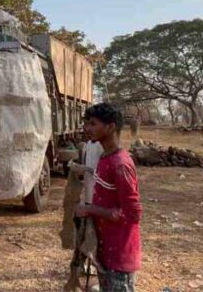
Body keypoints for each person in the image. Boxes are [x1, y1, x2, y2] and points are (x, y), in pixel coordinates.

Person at [75, 103, 142, 292]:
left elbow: (133, 214)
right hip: (106, 248)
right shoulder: (105, 157)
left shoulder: (120, 165)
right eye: (87, 123)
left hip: (120, 253)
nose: (88, 129)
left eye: (93, 124)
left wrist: (89, 209)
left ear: (111, 127)